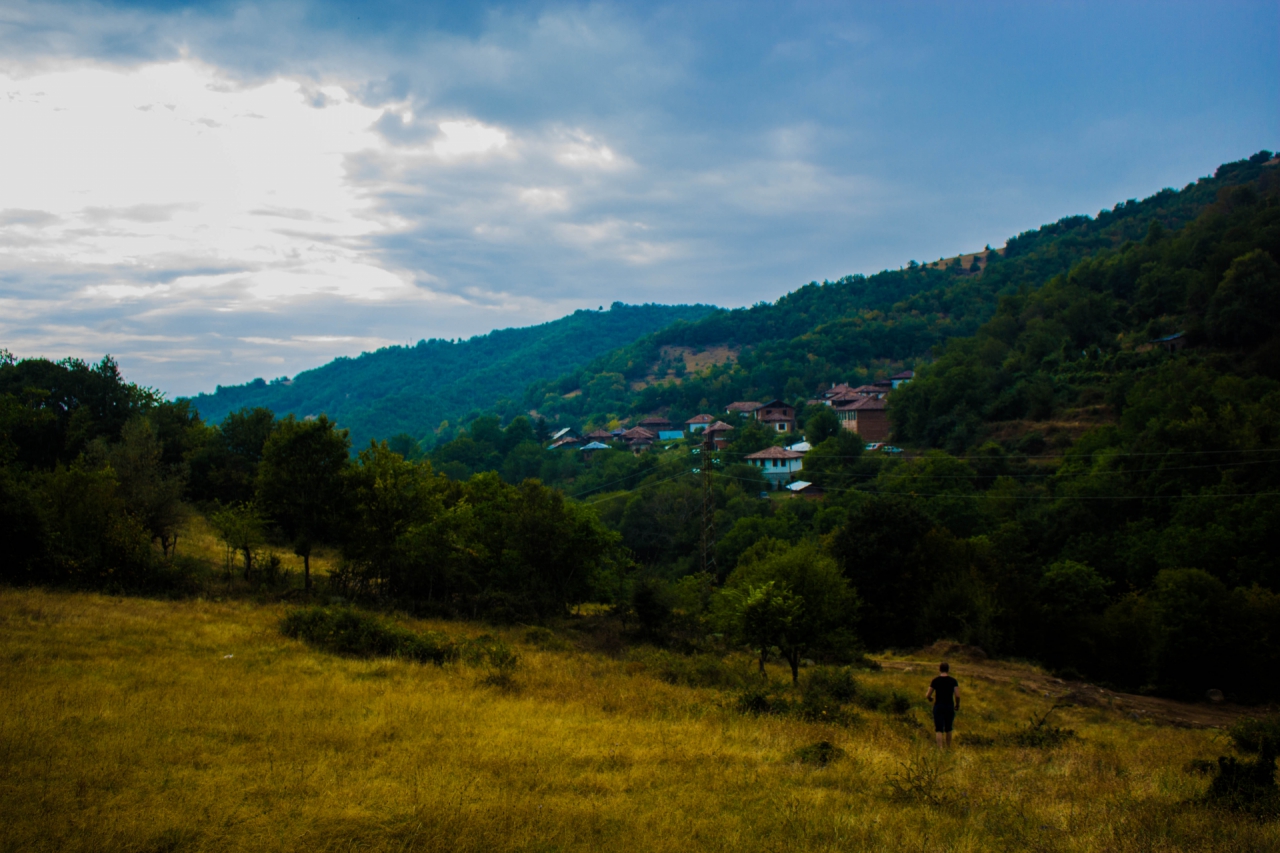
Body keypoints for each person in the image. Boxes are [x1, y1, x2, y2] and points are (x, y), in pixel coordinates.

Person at [925, 662, 960, 748]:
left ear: (939, 669)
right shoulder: (953, 681)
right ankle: (948, 747)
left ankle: (940, 748)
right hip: (949, 706)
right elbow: (957, 695)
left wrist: (930, 698)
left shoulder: (935, 680)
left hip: (939, 706)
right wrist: (957, 705)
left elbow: (928, 695)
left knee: (939, 729)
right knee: (948, 728)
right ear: (948, 669)